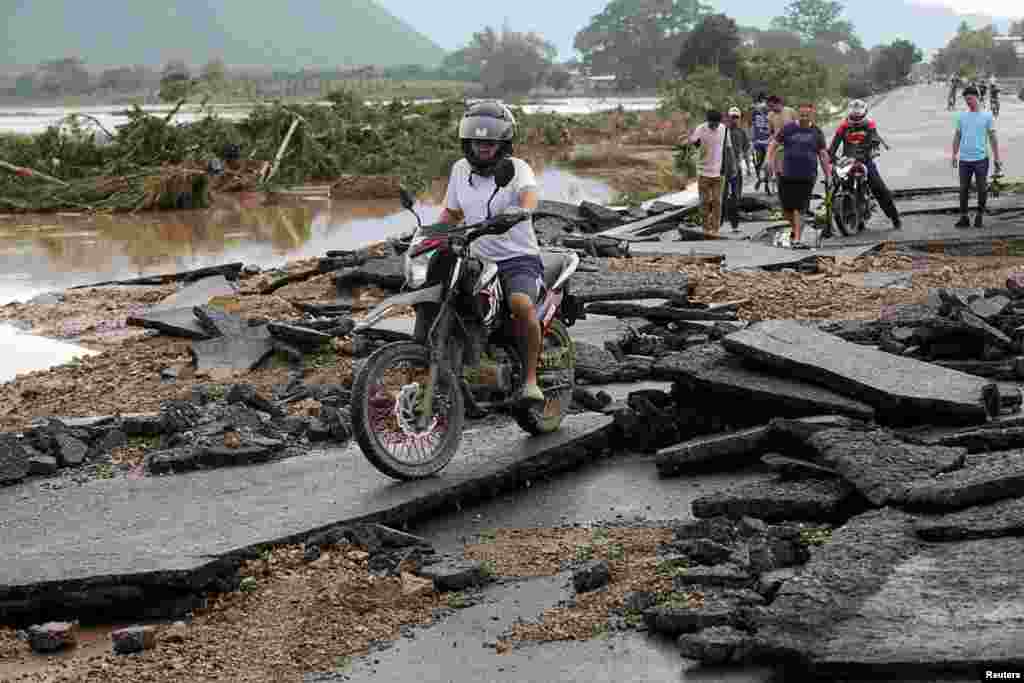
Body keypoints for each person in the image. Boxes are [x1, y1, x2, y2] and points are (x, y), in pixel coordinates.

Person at [437, 101, 545, 403]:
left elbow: (529, 195)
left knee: (521, 304)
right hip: (475, 258)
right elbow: (451, 213)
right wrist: (429, 235)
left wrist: (522, 211)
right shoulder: (460, 169)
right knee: (447, 299)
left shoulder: (518, 168)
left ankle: (530, 380)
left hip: (517, 258)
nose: (482, 146)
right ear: (466, 141)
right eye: (476, 140)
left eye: (489, 141)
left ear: (502, 142)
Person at [765, 102, 832, 248]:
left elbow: (822, 154)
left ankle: (797, 238)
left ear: (811, 115)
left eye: (807, 115)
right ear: (797, 114)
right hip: (786, 173)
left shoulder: (816, 132)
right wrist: (769, 160)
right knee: (786, 209)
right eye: (802, 114)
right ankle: (796, 229)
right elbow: (773, 144)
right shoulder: (788, 129)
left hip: (807, 175)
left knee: (799, 208)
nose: (804, 117)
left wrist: (828, 174)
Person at [828, 99, 902, 230]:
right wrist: (833, 159)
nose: (856, 120)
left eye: (859, 117)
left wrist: (872, 150)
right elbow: (833, 147)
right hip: (847, 162)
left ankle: (894, 217)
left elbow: (874, 141)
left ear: (864, 114)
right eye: (854, 117)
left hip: (865, 161)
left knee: (880, 189)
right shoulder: (843, 127)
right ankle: (830, 225)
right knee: (835, 187)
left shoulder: (869, 125)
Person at [952, 85, 1003, 228]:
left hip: (981, 159)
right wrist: (954, 154)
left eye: (970, 99)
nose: (968, 102)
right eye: (966, 99)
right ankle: (964, 217)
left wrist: (997, 157)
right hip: (964, 160)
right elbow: (957, 136)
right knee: (963, 189)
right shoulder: (962, 116)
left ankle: (980, 215)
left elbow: (993, 138)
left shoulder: (987, 116)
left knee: (982, 188)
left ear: (977, 97)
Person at [687, 109, 728, 236]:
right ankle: (705, 228)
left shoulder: (723, 129)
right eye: (712, 124)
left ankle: (715, 229)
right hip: (703, 172)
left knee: (717, 201)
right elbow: (693, 143)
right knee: (704, 201)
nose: (714, 126)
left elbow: (727, 147)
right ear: (707, 121)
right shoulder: (700, 129)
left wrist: (729, 166)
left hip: (718, 173)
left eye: (716, 124)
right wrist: (695, 142)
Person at [723, 106, 754, 232]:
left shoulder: (742, 133)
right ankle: (722, 219)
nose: (734, 119)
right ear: (728, 118)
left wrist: (748, 167)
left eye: (736, 117)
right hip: (723, 169)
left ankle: (734, 224)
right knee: (723, 195)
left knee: (736, 196)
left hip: (737, 169)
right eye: (732, 117)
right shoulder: (723, 131)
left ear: (739, 118)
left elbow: (746, 151)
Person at [750, 94, 772, 191]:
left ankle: (767, 182)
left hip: (768, 141)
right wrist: (752, 140)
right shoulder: (755, 112)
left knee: (768, 163)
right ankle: (759, 179)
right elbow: (752, 126)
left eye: (764, 102)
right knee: (757, 162)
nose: (763, 104)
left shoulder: (770, 112)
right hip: (758, 141)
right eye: (761, 101)